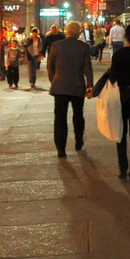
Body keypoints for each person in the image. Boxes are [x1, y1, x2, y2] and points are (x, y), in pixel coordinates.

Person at [91, 21, 130, 183]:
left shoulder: (119, 55)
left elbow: (113, 77)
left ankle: (123, 169)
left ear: (125, 37)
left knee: (120, 132)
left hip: (121, 97)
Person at [45, 20, 93, 157]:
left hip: (60, 86)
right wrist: (90, 85)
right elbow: (87, 68)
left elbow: (50, 66)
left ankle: (61, 149)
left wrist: (53, 80)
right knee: (78, 115)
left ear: (66, 32)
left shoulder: (56, 46)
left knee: (60, 117)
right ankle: (78, 141)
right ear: (78, 33)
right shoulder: (84, 47)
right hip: (77, 86)